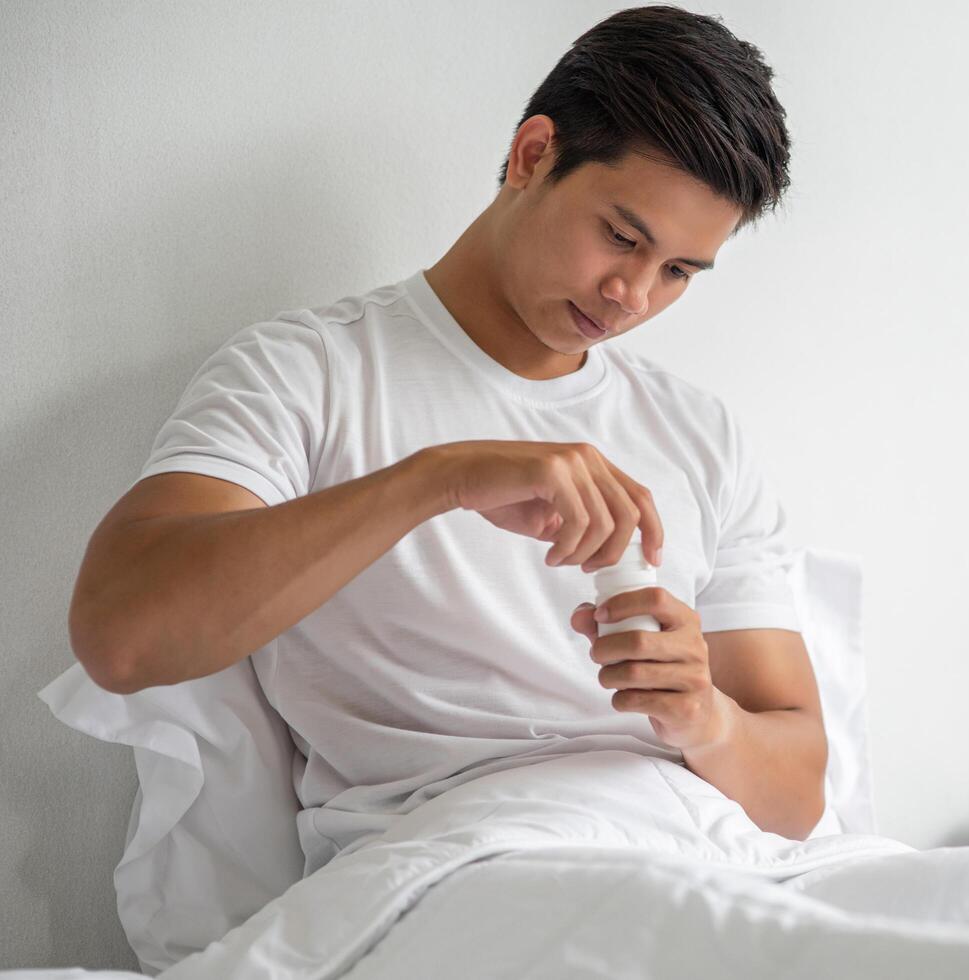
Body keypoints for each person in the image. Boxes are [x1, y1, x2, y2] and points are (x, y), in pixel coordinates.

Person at [66, 4, 826, 876]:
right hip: (469, 865)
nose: (632, 296)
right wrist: (441, 478)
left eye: (679, 272)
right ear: (532, 155)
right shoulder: (307, 371)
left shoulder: (698, 433)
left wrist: (705, 717)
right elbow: (120, 638)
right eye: (622, 236)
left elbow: (799, 794)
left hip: (709, 855)